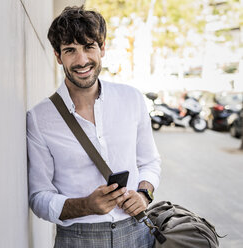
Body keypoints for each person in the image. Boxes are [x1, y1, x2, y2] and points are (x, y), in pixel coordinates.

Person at [27, 6, 161, 248]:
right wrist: (85, 205)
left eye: (89, 47)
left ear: (102, 49)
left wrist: (144, 195)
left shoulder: (132, 99)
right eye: (70, 50)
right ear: (58, 56)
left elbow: (149, 162)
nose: (81, 61)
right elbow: (38, 197)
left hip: (137, 233)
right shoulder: (39, 118)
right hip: (77, 239)